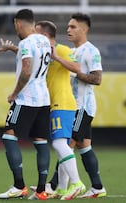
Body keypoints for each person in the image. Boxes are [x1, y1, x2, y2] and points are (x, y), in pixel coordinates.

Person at [0, 9, 51, 200]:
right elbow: (35, 59)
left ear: (18, 23)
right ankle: (42, 190)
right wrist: (14, 50)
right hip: (44, 99)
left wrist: (15, 93)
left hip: (27, 98)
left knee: (8, 135)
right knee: (41, 141)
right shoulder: (44, 40)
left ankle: (19, 185)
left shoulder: (26, 42)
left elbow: (26, 70)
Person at [31, 20, 85, 200]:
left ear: (45, 36)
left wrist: (58, 58)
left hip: (62, 103)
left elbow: (77, 68)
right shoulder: (43, 51)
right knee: (61, 147)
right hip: (56, 103)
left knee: (59, 144)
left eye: (36, 33)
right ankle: (62, 188)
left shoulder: (62, 50)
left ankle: (77, 183)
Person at [67, 12, 106, 198]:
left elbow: (97, 79)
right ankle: (97, 187)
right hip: (73, 106)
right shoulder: (71, 51)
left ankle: (53, 185)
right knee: (84, 146)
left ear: (84, 29)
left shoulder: (91, 51)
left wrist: (75, 74)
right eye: (68, 26)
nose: (68, 30)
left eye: (73, 27)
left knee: (66, 145)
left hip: (82, 106)